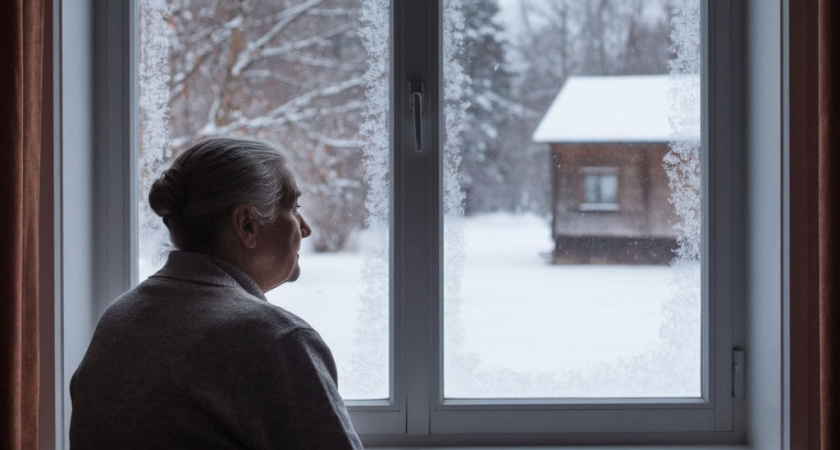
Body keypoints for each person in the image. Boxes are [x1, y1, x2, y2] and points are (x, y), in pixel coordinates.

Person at [70, 138, 363, 449]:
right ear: (247, 224)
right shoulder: (276, 340)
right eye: (293, 207)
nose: (305, 229)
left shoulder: (119, 319)